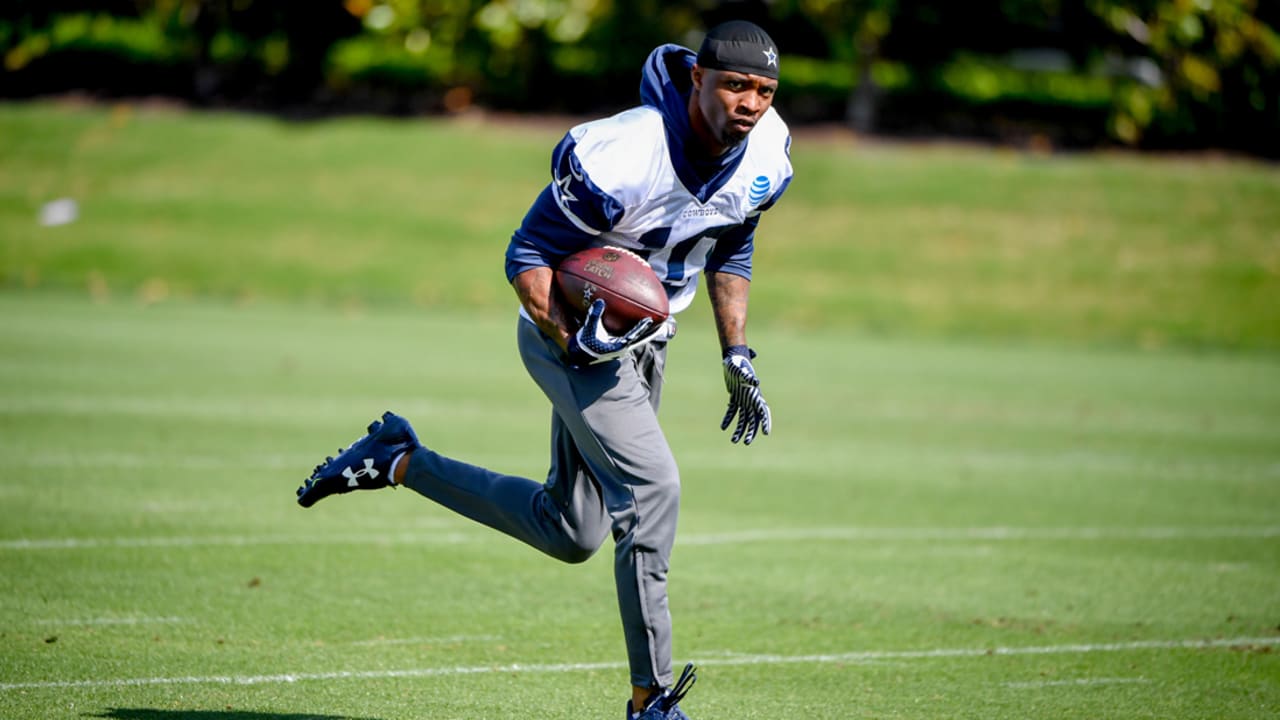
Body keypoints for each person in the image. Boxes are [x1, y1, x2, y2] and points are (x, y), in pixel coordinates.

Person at [295, 19, 792, 720]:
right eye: (736, 84)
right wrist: (571, 335)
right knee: (654, 492)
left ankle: (399, 460)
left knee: (573, 530)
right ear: (697, 79)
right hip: (572, 338)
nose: (750, 103)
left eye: (764, 90)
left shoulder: (768, 150)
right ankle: (650, 701)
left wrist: (735, 352)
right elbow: (526, 253)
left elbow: (732, 246)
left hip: (647, 340)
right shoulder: (625, 152)